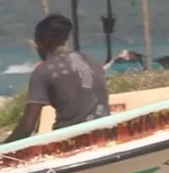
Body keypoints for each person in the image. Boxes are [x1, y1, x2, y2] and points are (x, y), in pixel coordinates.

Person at [6, 14, 110, 142]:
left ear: (42, 43)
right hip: (106, 134)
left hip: (71, 141)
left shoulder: (43, 71)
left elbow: (27, 128)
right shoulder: (92, 61)